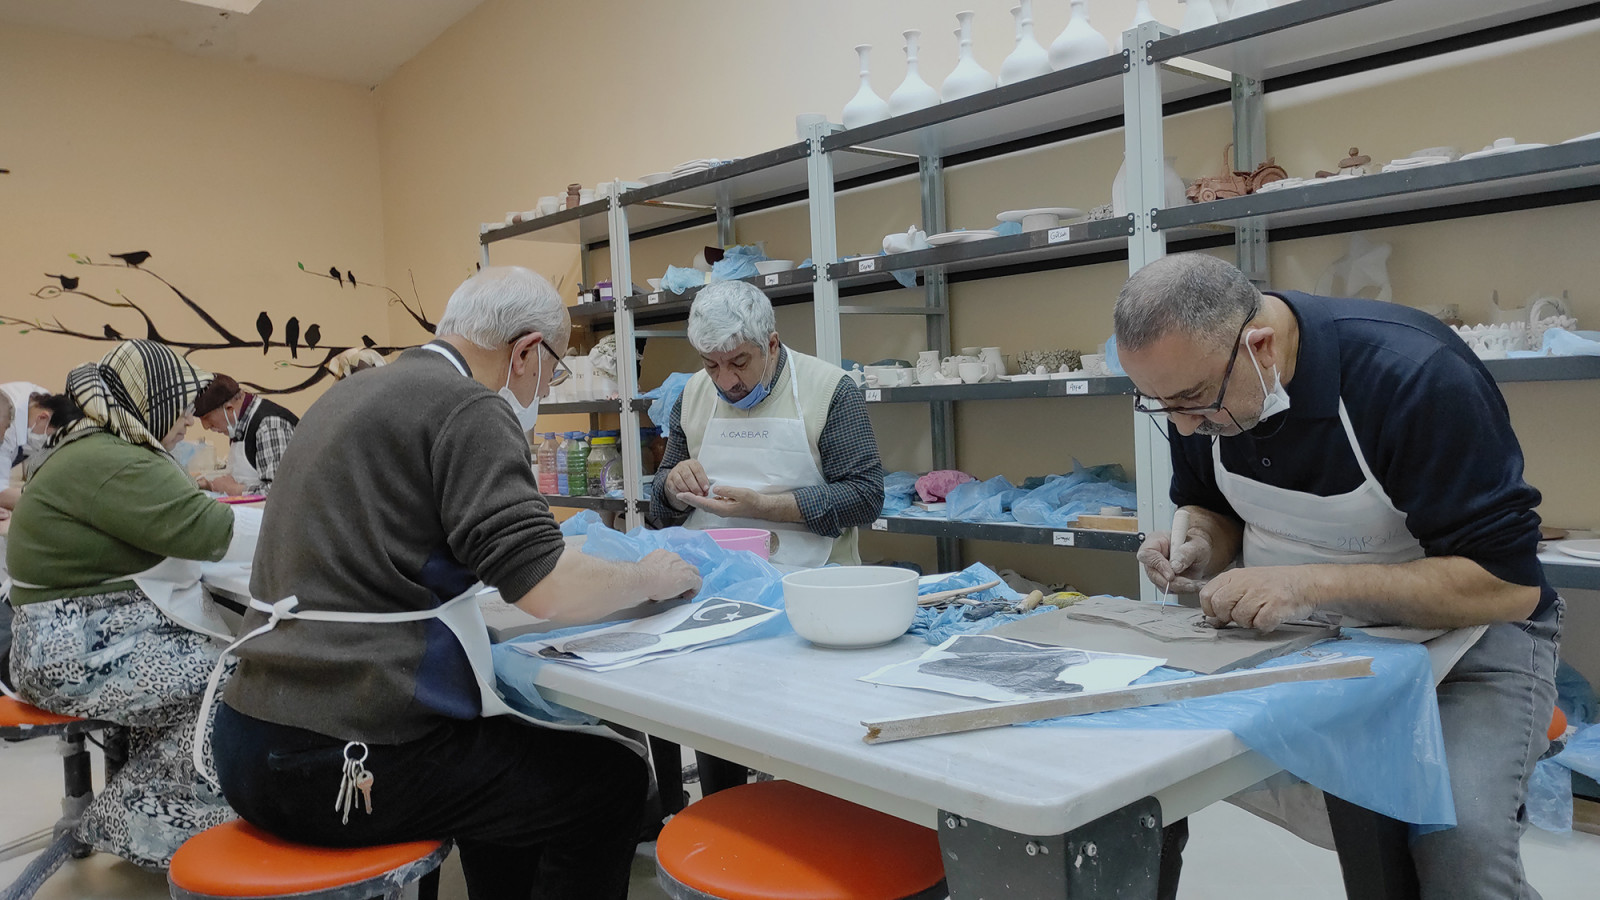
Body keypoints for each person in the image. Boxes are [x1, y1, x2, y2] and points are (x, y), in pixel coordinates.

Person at [211, 266, 701, 900]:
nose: (545, 388)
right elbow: (545, 585)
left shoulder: (350, 395)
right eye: (552, 372)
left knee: (505, 764)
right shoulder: (469, 406)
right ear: (525, 352)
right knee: (609, 781)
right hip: (339, 759)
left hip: (248, 736)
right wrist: (645, 577)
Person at [1114, 253, 1559, 900]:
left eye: (1192, 402)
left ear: (1260, 347)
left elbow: (1507, 585)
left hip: (1466, 645)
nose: (1182, 424)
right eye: (1160, 405)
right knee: (1136, 773)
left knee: (1458, 847)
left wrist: (1305, 586)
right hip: (1301, 643)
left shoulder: (1415, 377)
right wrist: (1201, 546)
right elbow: (1214, 507)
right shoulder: (1201, 385)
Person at [5, 340, 238, 870]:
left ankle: (150, 821)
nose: (188, 420)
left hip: (61, 641)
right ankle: (130, 822)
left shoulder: (94, 444)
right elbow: (208, 529)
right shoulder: (112, 457)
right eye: (181, 406)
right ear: (150, 399)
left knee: (200, 667)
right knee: (239, 680)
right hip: (70, 652)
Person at [649, 280, 886, 566]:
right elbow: (663, 500)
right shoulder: (693, 394)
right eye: (711, 364)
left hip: (812, 577)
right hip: (716, 571)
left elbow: (865, 497)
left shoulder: (831, 390)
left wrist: (766, 507)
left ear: (771, 345)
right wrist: (673, 487)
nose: (725, 382)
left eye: (739, 363)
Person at [191, 373, 299, 496]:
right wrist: (212, 486)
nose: (206, 427)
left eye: (207, 418)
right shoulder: (240, 426)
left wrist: (235, 490)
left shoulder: (270, 426)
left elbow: (280, 493)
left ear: (229, 408)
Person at [1, 381, 52, 507]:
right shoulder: (8, 432)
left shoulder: (41, 398)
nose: (2, 440)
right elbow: (1, 494)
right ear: (43, 417)